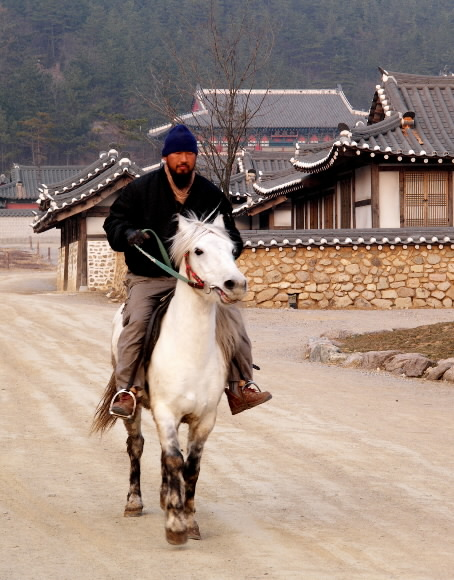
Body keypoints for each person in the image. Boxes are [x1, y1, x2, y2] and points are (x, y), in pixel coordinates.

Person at [103, 124, 272, 418]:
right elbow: (113, 222)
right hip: (150, 276)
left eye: (189, 154)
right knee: (138, 321)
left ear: (195, 157)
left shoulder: (210, 194)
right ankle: (127, 389)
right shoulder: (140, 190)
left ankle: (241, 385)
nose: (184, 159)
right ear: (166, 157)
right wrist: (128, 232)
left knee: (233, 321)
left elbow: (231, 236)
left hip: (199, 282)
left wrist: (221, 258)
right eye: (177, 154)